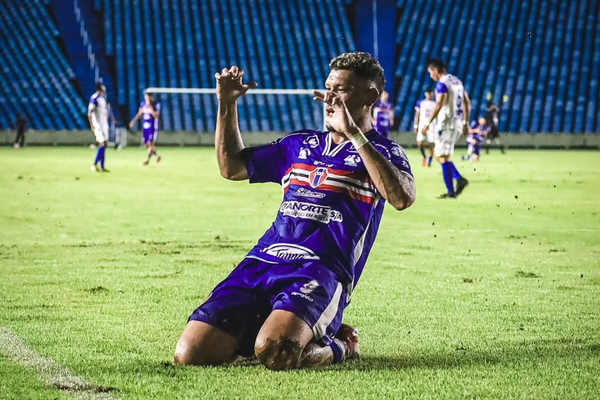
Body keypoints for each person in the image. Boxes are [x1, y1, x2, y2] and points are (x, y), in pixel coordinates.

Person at [173, 52, 416, 370]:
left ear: (371, 95)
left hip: (319, 271)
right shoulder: (298, 144)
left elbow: (401, 197)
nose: (330, 97)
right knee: (190, 355)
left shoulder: (384, 151)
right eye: (328, 87)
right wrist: (227, 103)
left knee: (278, 353)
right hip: (262, 262)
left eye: (341, 90)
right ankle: (261, 329)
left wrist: (355, 133)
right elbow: (231, 166)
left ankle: (343, 343)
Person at [421, 59, 470, 198]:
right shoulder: (457, 81)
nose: (431, 76)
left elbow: (439, 104)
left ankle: (455, 186)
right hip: (458, 123)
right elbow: (467, 102)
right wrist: (465, 123)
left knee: (441, 156)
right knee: (441, 156)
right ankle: (455, 185)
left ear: (435, 70)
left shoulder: (442, 83)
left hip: (447, 123)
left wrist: (428, 123)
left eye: (431, 73)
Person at [129, 91, 162, 165]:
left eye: (147, 97)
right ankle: (157, 156)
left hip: (153, 127)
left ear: (151, 97)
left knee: (150, 143)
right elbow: (139, 113)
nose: (146, 98)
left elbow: (156, 115)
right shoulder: (143, 104)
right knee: (146, 145)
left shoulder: (156, 104)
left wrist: (150, 107)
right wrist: (133, 121)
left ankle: (147, 160)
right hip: (145, 127)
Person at [88, 82, 110, 172]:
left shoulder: (102, 99)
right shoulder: (95, 98)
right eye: (103, 86)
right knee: (102, 143)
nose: (105, 87)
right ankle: (94, 164)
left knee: (104, 145)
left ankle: (102, 167)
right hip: (98, 125)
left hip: (104, 124)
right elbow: (90, 112)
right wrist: (92, 125)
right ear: (100, 88)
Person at [413, 89, 436, 167]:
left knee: (431, 145)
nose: (430, 95)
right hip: (422, 125)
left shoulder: (435, 104)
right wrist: (415, 125)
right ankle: (424, 157)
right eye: (428, 94)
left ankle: (429, 162)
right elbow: (417, 115)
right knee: (420, 143)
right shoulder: (421, 103)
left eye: (431, 94)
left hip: (432, 126)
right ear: (425, 94)